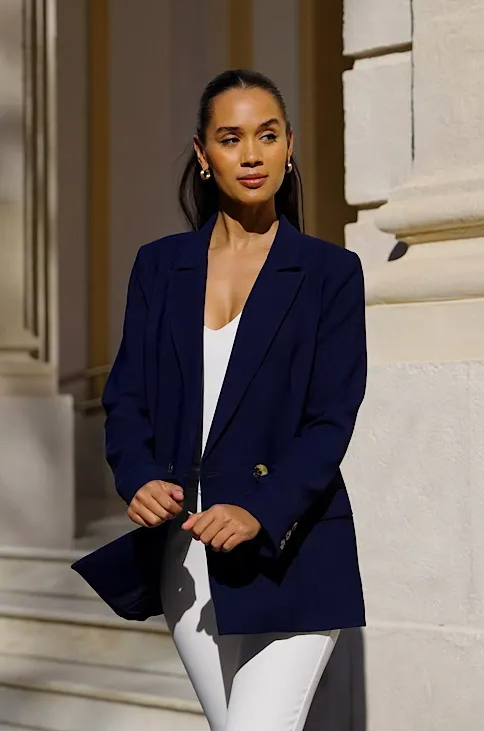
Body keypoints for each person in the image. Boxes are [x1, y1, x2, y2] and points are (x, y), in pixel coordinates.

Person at [76, 69, 367, 731]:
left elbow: (330, 419)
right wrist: (140, 473)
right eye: (231, 138)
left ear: (290, 145)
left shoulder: (330, 273)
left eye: (267, 135)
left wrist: (258, 510)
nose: (252, 154)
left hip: (290, 553)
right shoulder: (159, 265)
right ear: (203, 155)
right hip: (187, 556)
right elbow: (127, 398)